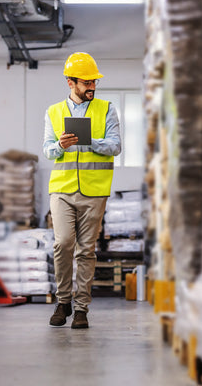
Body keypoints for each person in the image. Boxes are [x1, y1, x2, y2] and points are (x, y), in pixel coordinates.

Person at [43, 52, 121, 328]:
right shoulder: (53, 112)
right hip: (62, 190)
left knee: (86, 250)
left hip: (95, 190)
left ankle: (81, 309)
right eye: (86, 82)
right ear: (70, 82)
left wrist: (90, 141)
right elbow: (47, 150)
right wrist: (60, 146)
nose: (91, 87)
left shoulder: (106, 108)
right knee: (63, 243)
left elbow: (115, 146)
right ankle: (62, 301)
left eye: (94, 82)